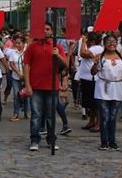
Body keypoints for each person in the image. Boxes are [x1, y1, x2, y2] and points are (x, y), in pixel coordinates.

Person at [23, 22, 68, 151]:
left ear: (52, 31)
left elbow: (65, 64)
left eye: (48, 29)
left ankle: (51, 139)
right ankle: (34, 139)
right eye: (43, 29)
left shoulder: (57, 47)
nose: (45, 31)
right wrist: (27, 85)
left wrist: (57, 55)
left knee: (50, 115)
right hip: (36, 86)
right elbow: (27, 65)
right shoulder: (32, 47)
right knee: (36, 115)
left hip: (52, 86)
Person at [91, 34, 122, 151]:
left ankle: (112, 140)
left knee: (112, 116)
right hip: (102, 87)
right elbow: (93, 72)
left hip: (117, 87)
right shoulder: (100, 56)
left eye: (114, 41)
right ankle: (104, 141)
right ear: (104, 44)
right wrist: (96, 64)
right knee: (104, 115)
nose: (112, 44)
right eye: (109, 42)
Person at [77, 32, 104, 132]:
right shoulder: (93, 48)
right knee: (90, 104)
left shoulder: (96, 48)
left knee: (95, 103)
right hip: (87, 78)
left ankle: (98, 123)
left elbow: (83, 54)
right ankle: (92, 121)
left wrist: (83, 41)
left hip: (93, 79)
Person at [9, 34, 29, 121]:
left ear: (23, 43)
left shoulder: (27, 52)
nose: (18, 45)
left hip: (26, 77)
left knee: (26, 95)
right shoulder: (13, 52)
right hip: (16, 77)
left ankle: (27, 113)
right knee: (16, 95)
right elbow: (11, 64)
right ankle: (16, 113)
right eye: (16, 43)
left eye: (19, 43)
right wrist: (18, 72)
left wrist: (25, 74)